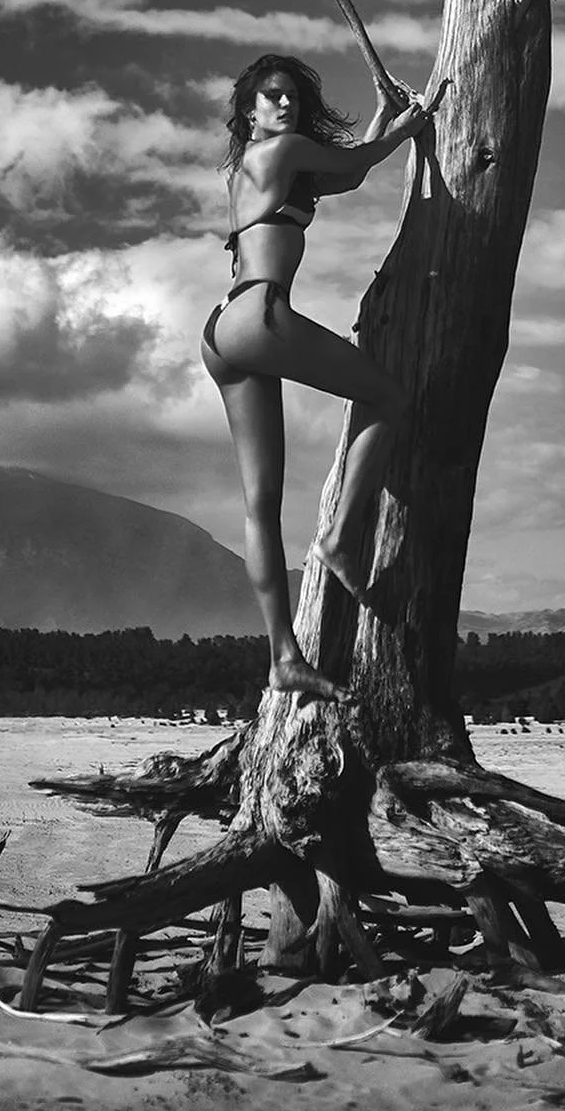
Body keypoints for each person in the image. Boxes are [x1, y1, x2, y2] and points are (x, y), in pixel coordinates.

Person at [201, 52, 430, 701]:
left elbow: (347, 175)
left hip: (222, 331)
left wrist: (385, 116)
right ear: (249, 108)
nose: (285, 104)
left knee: (259, 505)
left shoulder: (262, 166)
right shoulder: (278, 153)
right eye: (272, 96)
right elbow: (359, 164)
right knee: (387, 395)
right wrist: (410, 125)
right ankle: (339, 541)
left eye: (293, 98)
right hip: (260, 317)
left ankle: (283, 657)